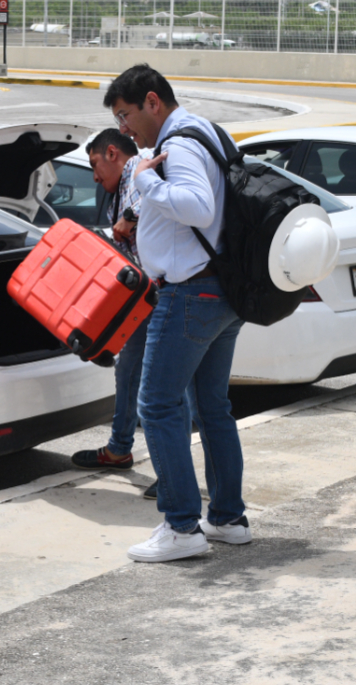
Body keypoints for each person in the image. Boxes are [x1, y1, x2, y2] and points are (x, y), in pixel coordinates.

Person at [105, 64, 251, 563]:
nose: (124, 128)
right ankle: (228, 518)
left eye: (126, 115)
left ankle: (182, 527)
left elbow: (197, 207)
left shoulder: (180, 142)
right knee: (212, 407)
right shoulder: (207, 130)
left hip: (189, 293)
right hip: (220, 291)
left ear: (152, 101)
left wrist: (144, 182)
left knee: (158, 406)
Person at [69, 128, 160, 501]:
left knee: (166, 389)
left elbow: (163, 195)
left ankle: (172, 469)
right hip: (144, 298)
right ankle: (120, 449)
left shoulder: (140, 168)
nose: (93, 176)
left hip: (167, 294)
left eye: (94, 165)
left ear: (112, 153)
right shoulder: (117, 186)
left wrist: (129, 216)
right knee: (128, 371)